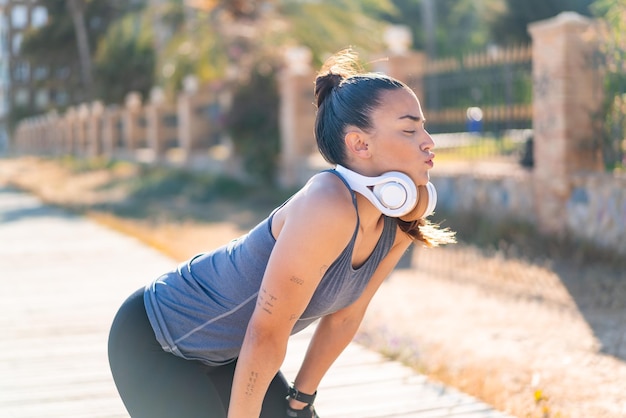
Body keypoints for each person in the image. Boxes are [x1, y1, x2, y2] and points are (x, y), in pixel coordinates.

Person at [107, 48, 455, 418]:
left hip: (233, 353)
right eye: (409, 129)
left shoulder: (398, 217)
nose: (428, 141)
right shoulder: (327, 203)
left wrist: (300, 400)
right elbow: (266, 332)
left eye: (423, 126)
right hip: (157, 339)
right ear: (360, 144)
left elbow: (345, 318)